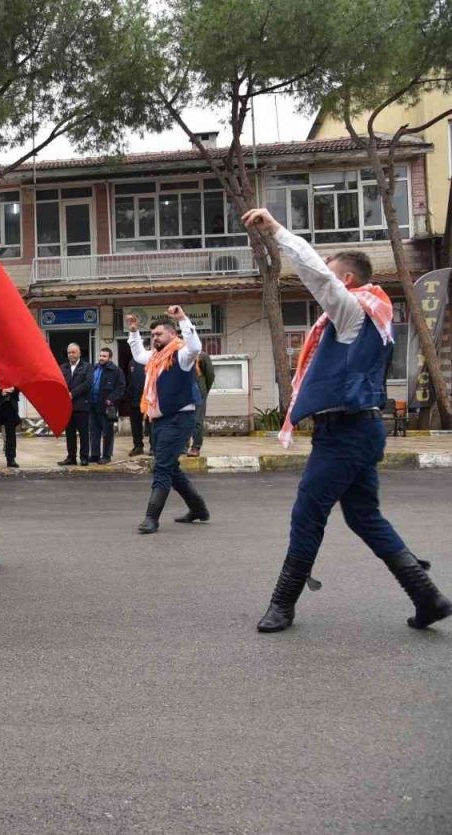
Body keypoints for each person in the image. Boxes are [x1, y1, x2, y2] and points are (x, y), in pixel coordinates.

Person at [242, 207, 450, 633]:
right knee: (363, 516)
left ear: (347, 281)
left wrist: (277, 231)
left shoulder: (354, 312)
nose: (327, 282)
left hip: (348, 431)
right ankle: (427, 596)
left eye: (335, 276)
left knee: (307, 513)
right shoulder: (368, 315)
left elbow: (317, 274)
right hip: (358, 428)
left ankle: (282, 604)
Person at [126, 307, 209, 534]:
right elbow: (138, 355)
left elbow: (196, 347)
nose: (154, 338)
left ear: (172, 334)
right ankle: (199, 509)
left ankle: (151, 518)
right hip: (160, 420)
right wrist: (134, 332)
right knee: (171, 468)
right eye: (152, 335)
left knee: (162, 467)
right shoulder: (155, 358)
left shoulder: (182, 355)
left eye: (159, 334)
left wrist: (182, 319)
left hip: (180, 419)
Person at [86, 347, 126, 465]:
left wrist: (111, 399)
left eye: (104, 356)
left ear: (110, 358)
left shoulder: (116, 371)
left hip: (107, 407)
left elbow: (121, 387)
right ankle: (94, 455)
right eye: (100, 356)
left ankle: (106, 456)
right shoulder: (94, 369)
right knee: (94, 432)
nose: (101, 358)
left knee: (107, 433)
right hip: (93, 406)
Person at [58, 343, 91, 466]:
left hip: (81, 405)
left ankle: (84, 457)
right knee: (70, 434)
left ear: (79, 353)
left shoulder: (87, 367)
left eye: (73, 352)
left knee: (83, 433)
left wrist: (72, 394)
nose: (71, 355)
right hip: (67, 406)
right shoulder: (63, 367)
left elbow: (87, 384)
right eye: (69, 352)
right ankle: (71, 457)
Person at [187, 351, 215, 457]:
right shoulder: (180, 355)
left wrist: (204, 390)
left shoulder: (202, 356)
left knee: (197, 420)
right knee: (184, 419)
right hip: (184, 392)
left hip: (198, 391)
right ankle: (184, 446)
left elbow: (210, 375)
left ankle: (196, 447)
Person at [125, 359, 147, 457]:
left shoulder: (150, 359)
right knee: (135, 425)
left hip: (148, 399)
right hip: (134, 399)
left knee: (151, 424)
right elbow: (129, 380)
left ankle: (153, 447)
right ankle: (138, 446)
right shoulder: (132, 362)